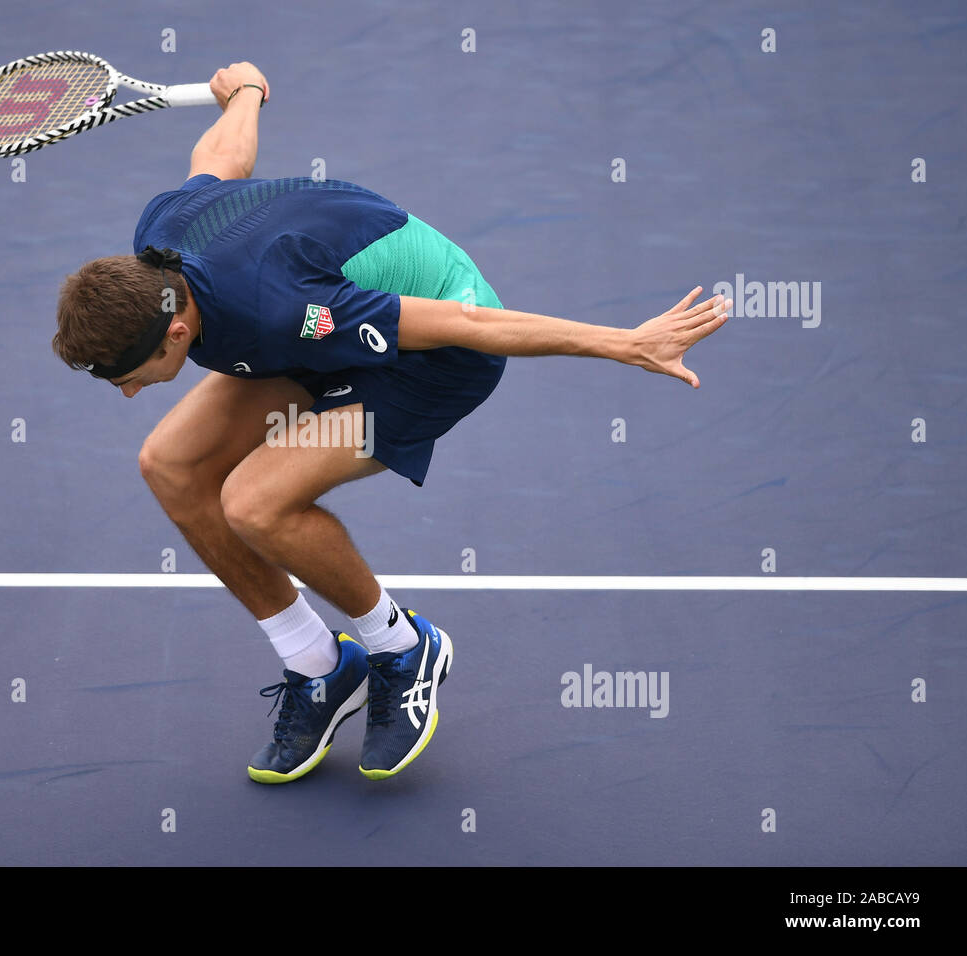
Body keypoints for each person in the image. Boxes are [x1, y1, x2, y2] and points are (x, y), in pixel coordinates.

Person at [52, 61, 730, 784]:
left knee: (254, 503)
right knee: (170, 464)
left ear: (177, 333)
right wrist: (247, 92)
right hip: (317, 322)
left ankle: (403, 648)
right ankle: (318, 666)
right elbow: (217, 162)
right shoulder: (161, 242)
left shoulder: (278, 307)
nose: (127, 395)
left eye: (129, 378)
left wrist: (623, 341)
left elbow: (464, 322)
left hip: (432, 359)